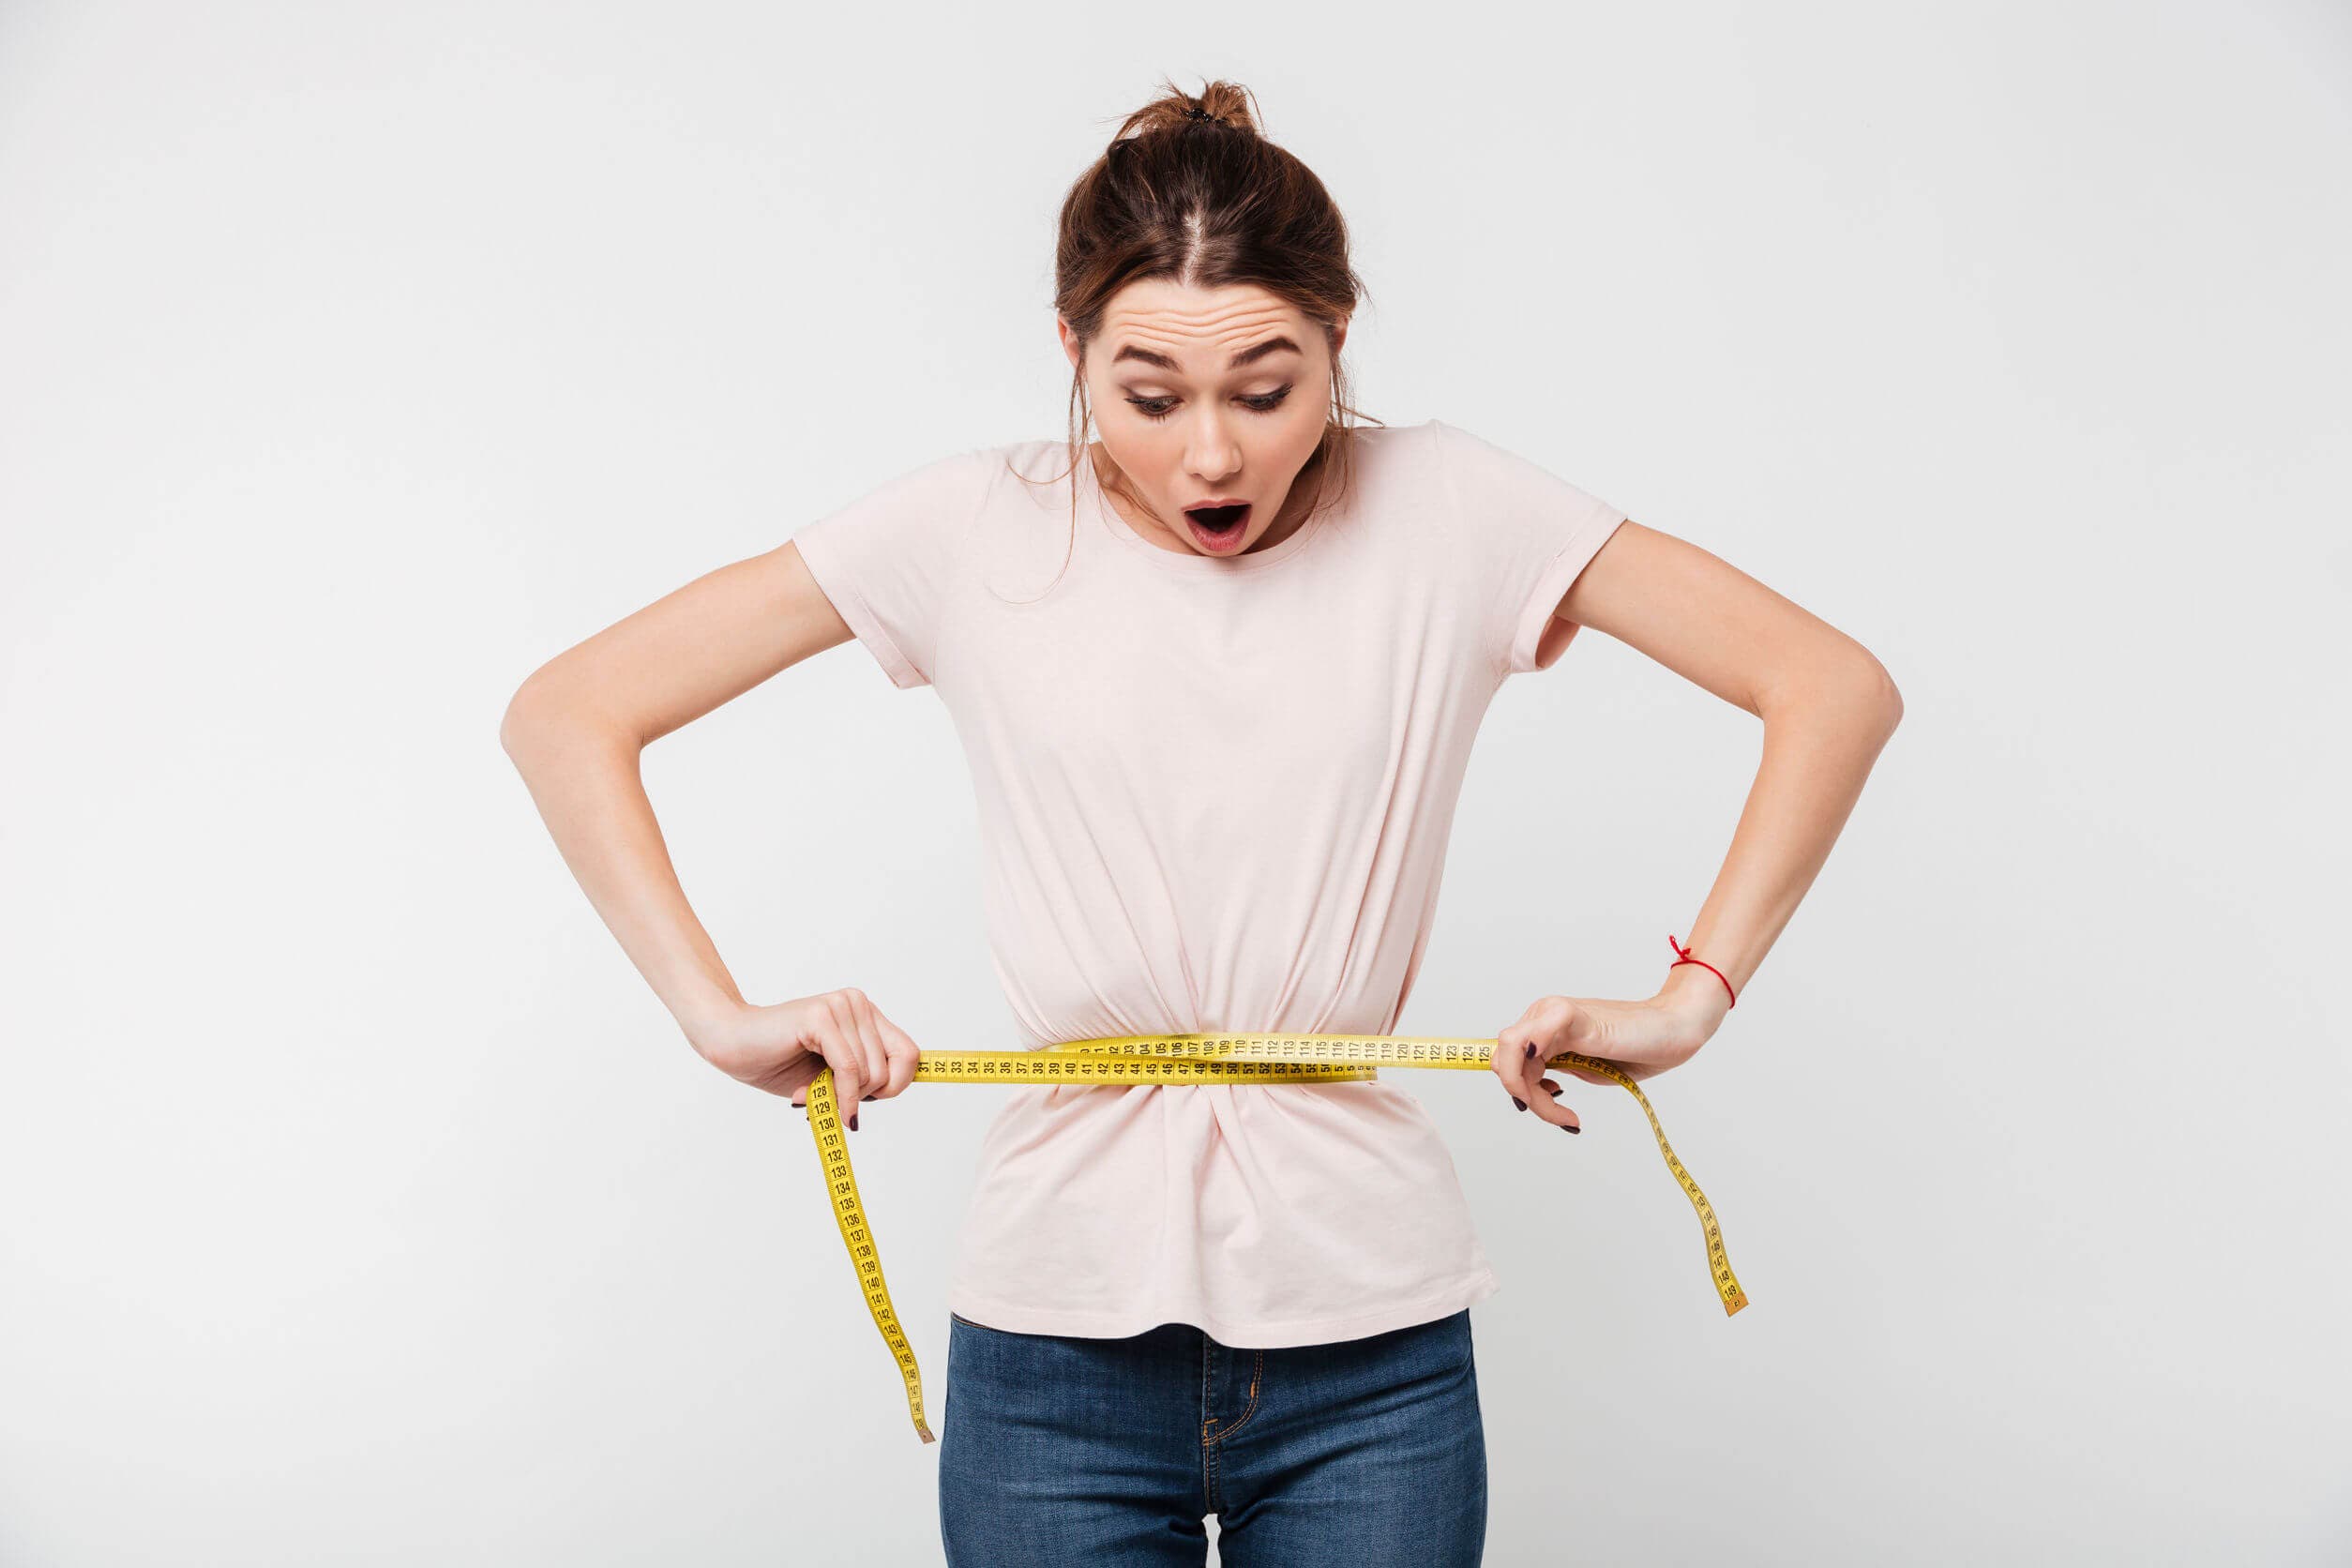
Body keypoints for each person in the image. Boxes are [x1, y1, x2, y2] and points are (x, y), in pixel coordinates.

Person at [498, 75, 1903, 1568]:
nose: (1212, 456)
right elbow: (570, 710)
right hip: (1052, 1355)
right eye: (1150, 397)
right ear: (1072, 352)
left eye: (1268, 388)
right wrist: (715, 1014)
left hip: (1374, 1350)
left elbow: (1830, 686)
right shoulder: (972, 531)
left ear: (1338, 343)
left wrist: (1695, 997)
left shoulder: (1452, 510)